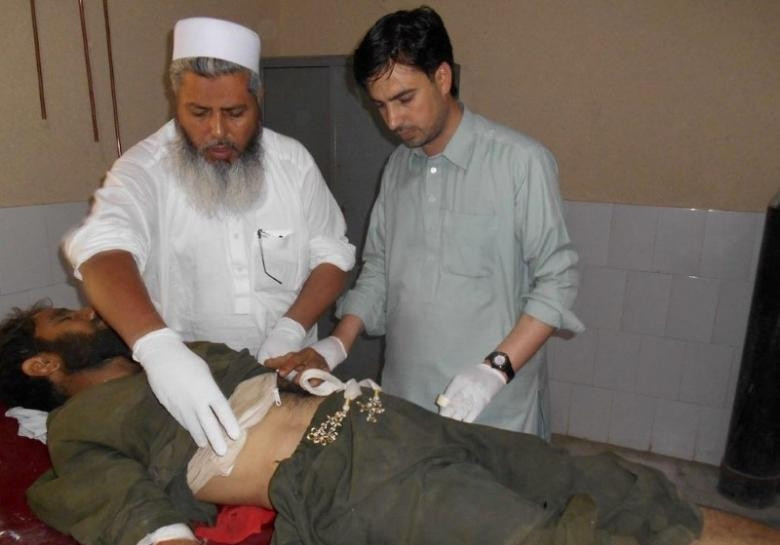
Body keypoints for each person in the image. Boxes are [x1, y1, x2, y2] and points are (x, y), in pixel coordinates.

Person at [1, 304, 778, 545]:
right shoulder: (75, 429)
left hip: (379, 416)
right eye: (65, 316)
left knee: (587, 478)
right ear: (41, 364)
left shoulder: (171, 351)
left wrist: (310, 367)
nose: (92, 311)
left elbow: (263, 372)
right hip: (338, 471)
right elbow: (120, 506)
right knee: (544, 540)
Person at [268, 6, 582, 437]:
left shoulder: (520, 163)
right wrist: (336, 345)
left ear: (442, 78)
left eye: (404, 99)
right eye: (380, 106)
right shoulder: (398, 168)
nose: (393, 121)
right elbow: (378, 269)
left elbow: (557, 281)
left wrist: (496, 370)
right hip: (405, 402)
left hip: (494, 409)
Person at [63, 17, 355, 455]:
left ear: (259, 98)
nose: (217, 132)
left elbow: (332, 255)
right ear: (176, 100)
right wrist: (159, 349)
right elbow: (102, 249)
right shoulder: (143, 171)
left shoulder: (293, 164)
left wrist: (292, 328)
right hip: (194, 398)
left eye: (235, 113)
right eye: (198, 113)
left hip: (287, 380)